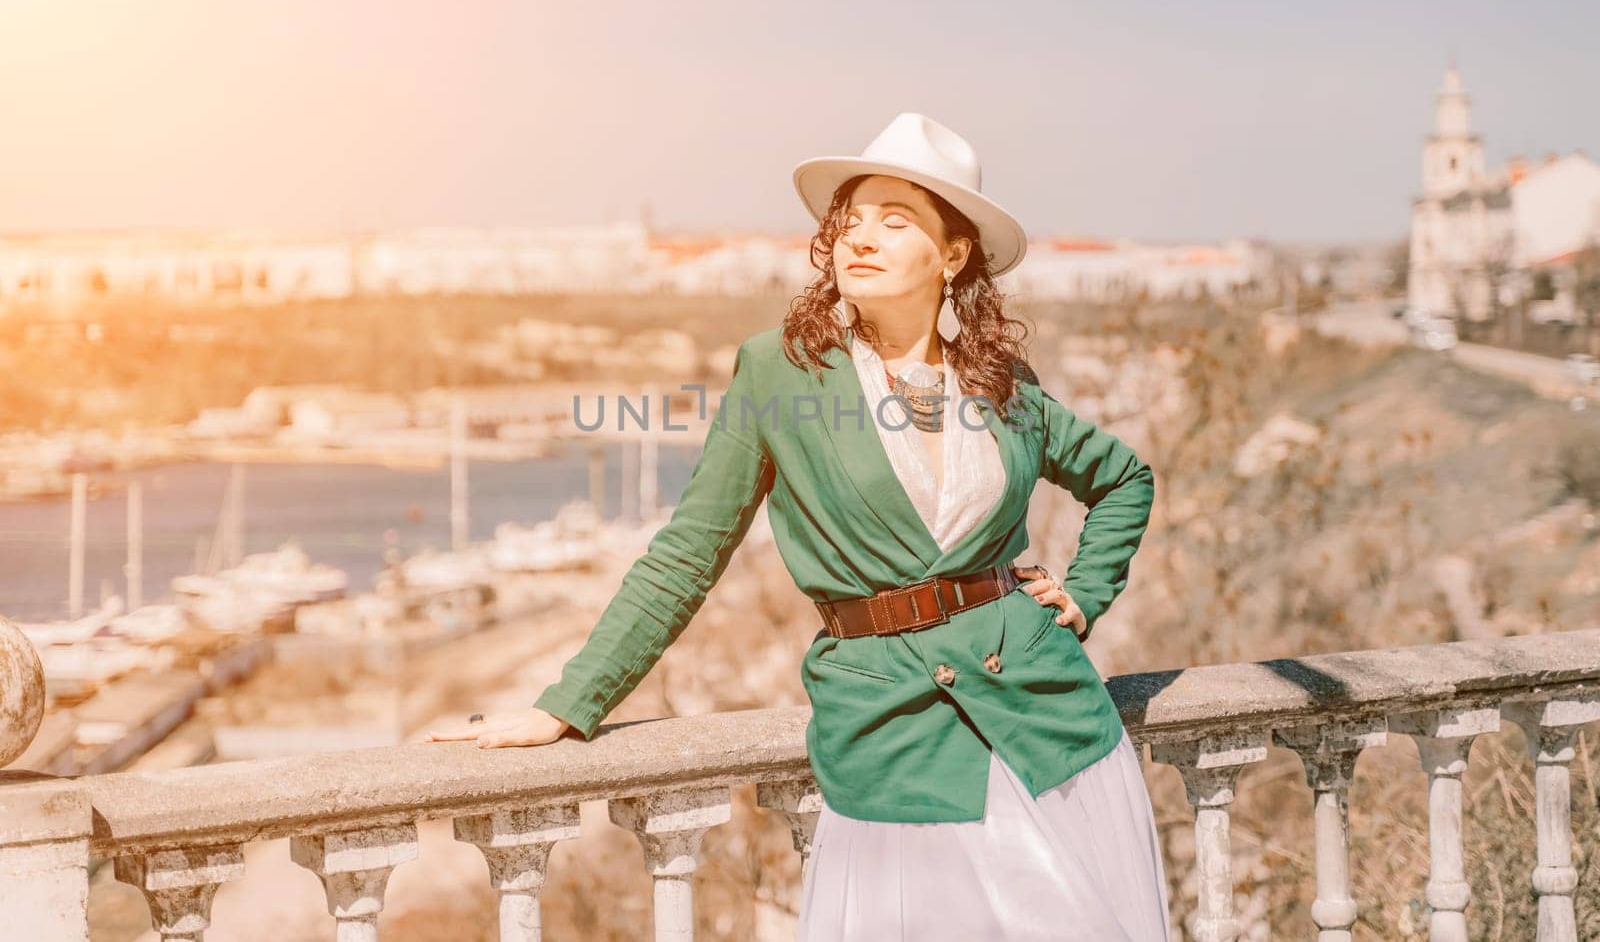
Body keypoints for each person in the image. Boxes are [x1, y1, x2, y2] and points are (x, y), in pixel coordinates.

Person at [429, 112, 1171, 939]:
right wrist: (569, 702)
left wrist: (1084, 594)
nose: (862, 237)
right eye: (850, 220)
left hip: (1052, 729)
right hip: (893, 740)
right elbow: (690, 551)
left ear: (953, 254)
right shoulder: (780, 373)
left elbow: (1124, 478)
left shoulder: (1000, 382)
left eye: (897, 221)